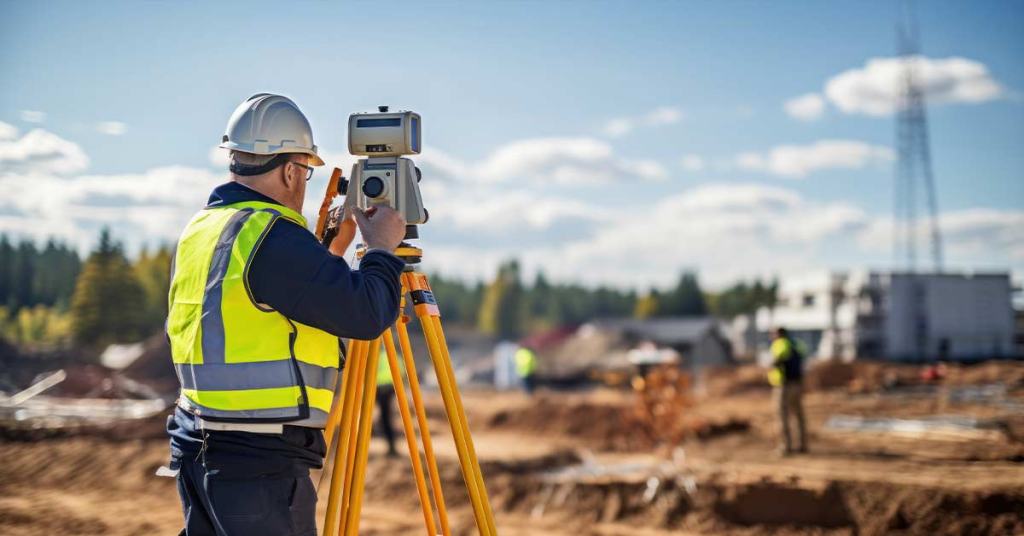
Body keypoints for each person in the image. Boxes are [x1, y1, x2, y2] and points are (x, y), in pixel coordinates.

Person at [166, 93, 408, 536]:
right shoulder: (272, 233)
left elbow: (268, 305)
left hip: (200, 448)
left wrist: (329, 252)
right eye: (307, 172)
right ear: (291, 169)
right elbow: (369, 313)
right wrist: (381, 250)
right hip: (257, 466)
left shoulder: (206, 227)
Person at [768, 327, 808, 455]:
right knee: (798, 415)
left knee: (782, 416)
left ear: (778, 334)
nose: (772, 337)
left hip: (784, 386)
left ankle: (785, 447)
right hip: (798, 383)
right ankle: (803, 445)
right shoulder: (797, 344)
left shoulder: (779, 344)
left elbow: (777, 362)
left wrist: (772, 367)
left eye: (773, 334)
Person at [375, 346, 406, 458]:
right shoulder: (393, 355)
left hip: (379, 389)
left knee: (385, 417)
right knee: (387, 416)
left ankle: (391, 445)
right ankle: (391, 444)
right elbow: (401, 371)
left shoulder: (376, 356)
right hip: (390, 388)